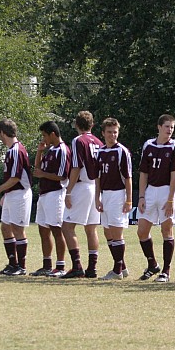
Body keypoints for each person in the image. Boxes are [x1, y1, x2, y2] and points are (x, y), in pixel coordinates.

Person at [137, 114, 175, 283]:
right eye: (167, 127)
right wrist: (142, 195)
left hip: (166, 191)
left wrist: (171, 199)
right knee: (142, 230)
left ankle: (166, 270)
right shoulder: (148, 145)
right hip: (151, 191)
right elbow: (144, 173)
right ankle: (152, 264)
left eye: (172, 127)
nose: (170, 130)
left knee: (166, 230)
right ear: (159, 127)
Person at [62, 111, 102, 279]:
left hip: (83, 186)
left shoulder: (79, 140)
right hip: (96, 186)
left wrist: (68, 190)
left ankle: (77, 266)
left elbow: (76, 167)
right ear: (92, 125)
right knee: (91, 228)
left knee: (67, 226)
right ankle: (92, 268)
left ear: (77, 125)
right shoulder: (99, 142)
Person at [0, 119, 32, 276]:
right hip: (12, 194)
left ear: (2, 133)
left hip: (20, 193)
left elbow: (15, 178)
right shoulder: (12, 150)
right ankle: (12, 264)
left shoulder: (16, 150)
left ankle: (21, 266)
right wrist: (5, 194)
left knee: (17, 229)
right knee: (5, 227)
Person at [95, 118, 134, 280]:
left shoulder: (122, 151)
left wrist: (129, 200)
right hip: (105, 194)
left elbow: (128, 177)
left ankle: (117, 270)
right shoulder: (100, 152)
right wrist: (97, 197)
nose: (112, 135)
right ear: (103, 133)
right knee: (107, 231)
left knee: (116, 232)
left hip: (118, 194)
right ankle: (122, 266)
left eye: (115, 132)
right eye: (109, 132)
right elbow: (97, 177)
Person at [31, 121, 71, 277]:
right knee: (43, 229)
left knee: (56, 228)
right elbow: (37, 169)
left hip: (56, 193)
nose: (43, 139)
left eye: (44, 135)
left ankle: (60, 266)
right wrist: (40, 152)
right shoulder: (51, 150)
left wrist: (43, 175)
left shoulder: (62, 150)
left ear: (52, 134)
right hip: (44, 193)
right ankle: (46, 264)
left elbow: (62, 176)